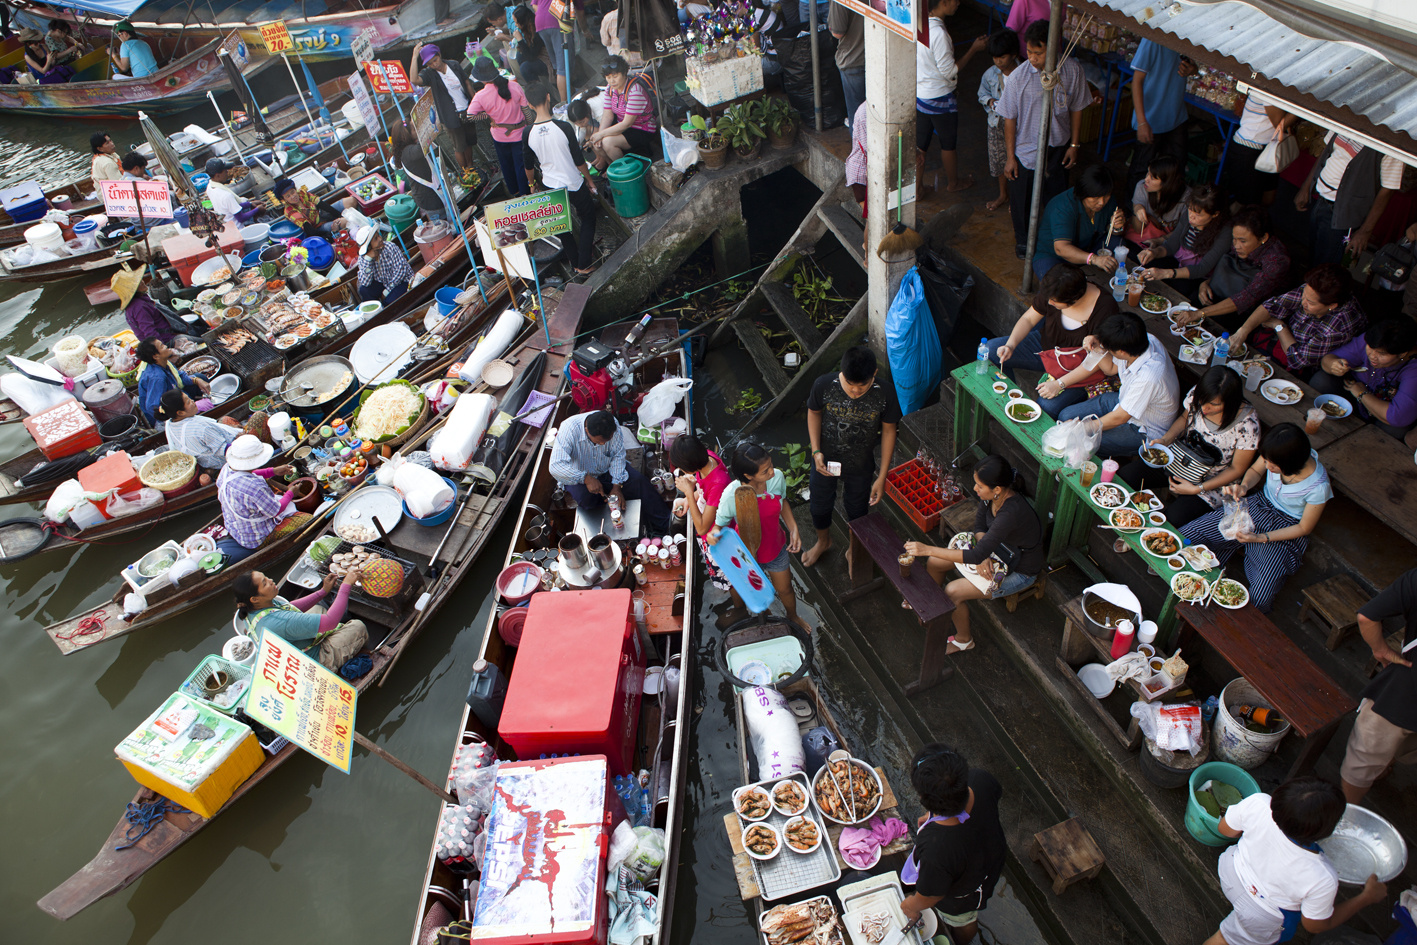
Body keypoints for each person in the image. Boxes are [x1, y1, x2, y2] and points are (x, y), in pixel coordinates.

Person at [1205, 777, 1385, 945]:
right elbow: (1314, 926)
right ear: (1328, 831)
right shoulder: (1323, 877)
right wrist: (1366, 898)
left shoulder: (1258, 803)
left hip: (1230, 871)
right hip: (1261, 914)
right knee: (1225, 939)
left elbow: (1225, 830)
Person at [1181, 423, 1330, 613]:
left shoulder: (1319, 487)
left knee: (1260, 595)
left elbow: (1304, 528)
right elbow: (1255, 471)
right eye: (1266, 460)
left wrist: (1261, 537)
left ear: (1289, 465)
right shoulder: (1276, 454)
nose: (1267, 466)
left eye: (1273, 466)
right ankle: (1191, 586)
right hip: (1258, 504)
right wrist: (1244, 487)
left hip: (1285, 528)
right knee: (1188, 535)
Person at [902, 456, 1044, 653]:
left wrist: (926, 549)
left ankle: (964, 640)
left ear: (997, 489)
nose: (975, 489)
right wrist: (984, 553)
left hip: (1018, 570)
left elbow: (975, 554)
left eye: (979, 486)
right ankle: (929, 604)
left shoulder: (1010, 512)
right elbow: (979, 527)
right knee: (935, 562)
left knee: (953, 591)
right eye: (976, 483)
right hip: (995, 551)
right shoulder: (990, 498)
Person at [1118, 366, 1259, 529]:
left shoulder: (1248, 425)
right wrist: (1165, 440)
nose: (1205, 408)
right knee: (1125, 477)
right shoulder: (1199, 393)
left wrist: (1198, 489)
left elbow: (1236, 469)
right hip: (1178, 459)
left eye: (1214, 404)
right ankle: (1125, 522)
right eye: (1202, 401)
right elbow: (1185, 418)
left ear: (1231, 402)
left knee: (1173, 519)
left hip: (1211, 483)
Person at [801, 345, 901, 567]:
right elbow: (814, 412)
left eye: (862, 386)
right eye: (850, 384)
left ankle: (853, 549)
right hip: (825, 461)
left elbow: (888, 430)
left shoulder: (885, 393)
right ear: (842, 373)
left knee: (858, 510)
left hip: (860, 465)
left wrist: (882, 476)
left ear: (873, 374)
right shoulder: (824, 385)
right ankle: (823, 541)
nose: (855, 391)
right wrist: (816, 451)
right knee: (819, 505)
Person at [997, 20, 1089, 257]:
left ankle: (1056, 240)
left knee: (1057, 199)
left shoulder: (1073, 70)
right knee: (1022, 202)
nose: (1033, 58)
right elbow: (1009, 119)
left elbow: (1077, 108)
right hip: (1025, 150)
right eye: (1029, 52)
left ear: (1054, 49)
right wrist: (1010, 158)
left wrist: (1074, 145)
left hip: (1057, 147)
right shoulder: (1018, 77)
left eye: (1039, 53)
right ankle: (1023, 241)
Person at [898, 744, 1007, 944]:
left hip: (968, 889)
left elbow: (931, 895)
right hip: (991, 853)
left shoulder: (937, 849)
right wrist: (931, 815)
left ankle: (963, 939)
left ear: (924, 799)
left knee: (963, 919)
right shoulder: (979, 779)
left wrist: (912, 905)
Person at [988, 262, 1119, 417]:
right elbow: (1029, 319)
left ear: (1074, 298)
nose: (1049, 303)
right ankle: (1009, 401)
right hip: (1046, 347)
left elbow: (1096, 360)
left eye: (1055, 301)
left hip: (1078, 366)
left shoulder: (1105, 308)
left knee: (1045, 407)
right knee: (991, 350)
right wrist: (1010, 345)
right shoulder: (1053, 290)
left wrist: (1059, 384)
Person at [1340, 568, 1417, 803]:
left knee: (1363, 759)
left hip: (1405, 689)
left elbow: (1367, 617)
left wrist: (1381, 650)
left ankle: (1345, 813)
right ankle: (1385, 764)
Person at [1057, 311, 1180, 458]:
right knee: (1066, 416)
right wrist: (1096, 344)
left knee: (1082, 440)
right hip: (1124, 401)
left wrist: (1083, 428)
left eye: (1107, 348)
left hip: (1144, 428)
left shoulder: (1149, 377)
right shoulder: (1143, 341)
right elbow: (1111, 368)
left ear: (1121, 352)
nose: (1105, 349)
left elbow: (1120, 418)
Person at [710, 443, 807, 630]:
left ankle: (793, 616)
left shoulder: (777, 478)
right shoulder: (732, 495)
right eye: (765, 471)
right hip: (746, 555)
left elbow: (782, 501)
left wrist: (793, 528)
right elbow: (717, 526)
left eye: (770, 465)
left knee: (785, 589)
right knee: (753, 593)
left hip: (775, 547)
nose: (772, 472)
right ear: (748, 476)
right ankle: (760, 615)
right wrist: (713, 535)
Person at [548, 409, 673, 534]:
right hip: (579, 475)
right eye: (599, 441)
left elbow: (618, 455)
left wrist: (616, 486)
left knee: (639, 483)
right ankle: (604, 533)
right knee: (586, 500)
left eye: (606, 442)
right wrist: (586, 478)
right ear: (586, 430)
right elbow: (556, 466)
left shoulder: (612, 424)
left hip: (607, 469)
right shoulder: (568, 429)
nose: (603, 444)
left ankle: (666, 526)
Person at [1228, 264, 1367, 374]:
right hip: (1285, 343)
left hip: (1306, 366)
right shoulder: (1312, 290)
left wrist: (1279, 326)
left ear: (1331, 306)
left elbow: (1297, 359)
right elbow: (1272, 305)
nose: (1303, 302)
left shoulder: (1339, 325)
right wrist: (1242, 331)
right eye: (1304, 296)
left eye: (1310, 303)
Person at [1172, 206, 1291, 331]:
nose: (1236, 245)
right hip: (1225, 289)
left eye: (1243, 241)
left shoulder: (1277, 261)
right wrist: (1206, 283)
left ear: (1263, 238)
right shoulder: (1239, 241)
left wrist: (1200, 313)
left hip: (1249, 310)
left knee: (1214, 324)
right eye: (1234, 239)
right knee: (1193, 300)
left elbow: (1246, 298)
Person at [1295, 130, 1404, 265]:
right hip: (1321, 201)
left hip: (1344, 215)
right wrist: (1306, 187)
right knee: (1313, 255)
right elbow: (1326, 151)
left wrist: (1365, 231)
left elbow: (1387, 190)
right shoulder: (1347, 120)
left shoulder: (1392, 143)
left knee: (1325, 265)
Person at [522, 82, 598, 274]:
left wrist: (531, 184)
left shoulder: (527, 132)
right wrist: (589, 180)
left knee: (562, 226)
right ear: (548, 97)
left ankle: (575, 263)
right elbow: (579, 159)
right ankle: (584, 263)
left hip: (549, 185)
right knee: (588, 217)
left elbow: (528, 165)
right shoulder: (564, 127)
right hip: (573, 182)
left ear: (530, 105)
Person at [915, 0, 986, 195]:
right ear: (943, 2)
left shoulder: (920, 25)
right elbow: (950, 71)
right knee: (948, 144)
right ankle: (953, 183)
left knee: (921, 145)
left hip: (921, 95)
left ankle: (918, 188)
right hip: (939, 97)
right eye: (954, 0)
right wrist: (973, 49)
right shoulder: (939, 34)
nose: (958, 3)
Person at [1311, 318, 1417, 442]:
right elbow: (1328, 360)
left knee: (1395, 429)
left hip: (1380, 413)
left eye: (1381, 354)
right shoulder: (1370, 341)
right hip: (1353, 397)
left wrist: (1362, 394)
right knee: (1322, 379)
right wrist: (1333, 364)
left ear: (1402, 354)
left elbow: (1398, 416)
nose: (1372, 356)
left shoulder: (1413, 370)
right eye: (1370, 348)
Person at [215, 435, 304, 564]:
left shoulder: (226, 469)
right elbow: (276, 510)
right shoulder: (254, 488)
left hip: (235, 527)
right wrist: (291, 493)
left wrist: (272, 471)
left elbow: (248, 473)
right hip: (255, 537)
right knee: (307, 520)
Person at [1138, 183, 1231, 299]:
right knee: (1144, 266)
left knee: (1177, 290)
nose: (1191, 216)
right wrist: (1154, 253)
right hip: (1178, 262)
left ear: (1215, 214)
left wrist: (1165, 273)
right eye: (1190, 210)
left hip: (1197, 275)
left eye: (1198, 214)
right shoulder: (1188, 215)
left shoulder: (1225, 233)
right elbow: (1172, 246)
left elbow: (1202, 269)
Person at [1032, 164, 1126, 278]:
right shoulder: (1063, 207)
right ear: (1083, 193)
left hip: (1087, 248)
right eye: (1095, 197)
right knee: (1056, 286)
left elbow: (1110, 231)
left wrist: (1116, 227)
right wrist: (1094, 259)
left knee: (1117, 243)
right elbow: (1061, 248)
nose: (1101, 202)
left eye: (1106, 196)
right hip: (1054, 257)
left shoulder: (1109, 201)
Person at [1127, 39, 1192, 191]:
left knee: (1175, 171)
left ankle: (1165, 210)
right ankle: (1133, 211)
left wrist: (1191, 70)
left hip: (1176, 117)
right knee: (1142, 173)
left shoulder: (1187, 37)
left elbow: (1191, 65)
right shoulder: (1153, 39)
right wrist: (1142, 122)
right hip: (1150, 120)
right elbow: (1137, 81)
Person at [671, 433, 732, 592]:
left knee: (730, 580)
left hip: (717, 537)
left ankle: (737, 605)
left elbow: (703, 528)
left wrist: (689, 493)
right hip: (707, 526)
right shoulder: (707, 458)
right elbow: (703, 490)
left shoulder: (718, 482)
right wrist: (687, 500)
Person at [468, 57, 531, 198]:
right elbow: (526, 111)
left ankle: (514, 191)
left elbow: (470, 116)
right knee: (521, 166)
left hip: (499, 137)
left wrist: (488, 116)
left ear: (481, 79)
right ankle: (525, 194)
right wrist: (530, 127)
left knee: (506, 165)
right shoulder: (515, 86)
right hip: (520, 134)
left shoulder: (480, 96)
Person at [1221, 94, 1296, 206]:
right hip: (1248, 150)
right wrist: (1301, 111)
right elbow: (1279, 124)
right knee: (1245, 204)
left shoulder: (1279, 86)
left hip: (1269, 149)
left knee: (1268, 198)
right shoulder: (1266, 89)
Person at [412, 43, 476, 172]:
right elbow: (414, 80)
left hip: (467, 110)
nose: (434, 65)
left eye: (435, 60)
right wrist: (414, 57)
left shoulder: (454, 65)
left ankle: (471, 166)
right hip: (450, 116)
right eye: (430, 63)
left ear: (439, 55)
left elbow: (467, 83)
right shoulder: (429, 74)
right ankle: (465, 172)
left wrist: (476, 103)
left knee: (469, 142)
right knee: (459, 146)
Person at [977, 30, 1019, 213]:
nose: (998, 62)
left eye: (1002, 57)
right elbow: (982, 94)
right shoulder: (990, 74)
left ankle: (1016, 198)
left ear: (1014, 55)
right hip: (996, 123)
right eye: (995, 58)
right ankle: (1003, 194)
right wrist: (990, 101)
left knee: (1018, 161)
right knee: (1000, 162)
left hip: (1018, 126)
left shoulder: (1024, 73)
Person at [591, 56, 658, 167]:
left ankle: (626, 170)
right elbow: (608, 115)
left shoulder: (634, 91)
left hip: (642, 128)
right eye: (608, 77)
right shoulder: (610, 89)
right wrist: (599, 135)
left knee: (607, 142)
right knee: (597, 141)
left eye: (615, 76)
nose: (612, 81)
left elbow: (627, 123)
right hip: (622, 125)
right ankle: (613, 166)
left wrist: (601, 134)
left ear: (624, 73)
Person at [154, 390, 242, 470]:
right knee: (256, 418)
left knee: (225, 419)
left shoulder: (170, 423)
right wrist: (242, 440)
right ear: (180, 413)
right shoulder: (200, 429)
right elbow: (224, 449)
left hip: (206, 460)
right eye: (188, 402)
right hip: (223, 460)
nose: (192, 401)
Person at [135, 338, 209, 426]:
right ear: (156, 356)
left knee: (200, 377)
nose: (166, 346)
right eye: (162, 346)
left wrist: (197, 380)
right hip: (164, 415)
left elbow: (180, 376)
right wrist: (176, 416)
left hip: (173, 392)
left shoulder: (163, 363)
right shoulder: (157, 378)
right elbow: (152, 407)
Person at [1126, 155, 1190, 248]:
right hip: (1144, 236)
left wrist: (1159, 240)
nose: (1146, 179)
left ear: (1167, 183)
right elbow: (1138, 230)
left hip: (1170, 241)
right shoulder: (1142, 187)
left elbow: (1181, 232)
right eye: (1147, 173)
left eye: (1152, 177)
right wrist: (1137, 208)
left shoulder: (1186, 199)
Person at [389, 123, 445, 223]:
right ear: (407, 135)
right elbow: (421, 148)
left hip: (430, 195)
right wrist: (424, 127)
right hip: (429, 199)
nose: (417, 130)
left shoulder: (408, 149)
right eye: (415, 129)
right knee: (443, 226)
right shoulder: (408, 152)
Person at [112, 267, 176, 344]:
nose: (142, 282)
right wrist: (164, 349)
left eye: (140, 279)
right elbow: (150, 333)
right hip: (166, 340)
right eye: (137, 283)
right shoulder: (139, 307)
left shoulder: (140, 300)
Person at [275, 177, 353, 238]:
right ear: (284, 199)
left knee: (351, 200)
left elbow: (320, 204)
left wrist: (338, 215)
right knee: (346, 221)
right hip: (318, 228)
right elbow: (310, 230)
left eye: (293, 192)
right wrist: (330, 231)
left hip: (320, 214)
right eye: (288, 196)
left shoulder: (301, 193)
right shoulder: (290, 211)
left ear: (295, 190)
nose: (293, 196)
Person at [355, 224, 412, 305]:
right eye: (375, 239)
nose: (380, 239)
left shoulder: (390, 247)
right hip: (383, 282)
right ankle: (376, 308)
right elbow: (365, 282)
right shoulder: (363, 258)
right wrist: (369, 259)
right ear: (369, 246)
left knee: (388, 302)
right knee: (364, 290)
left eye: (378, 235)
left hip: (402, 281)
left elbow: (401, 272)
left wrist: (387, 291)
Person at [829, 2, 864, 129]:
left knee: (858, 119)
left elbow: (838, 32)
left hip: (853, 58)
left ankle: (860, 149)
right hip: (877, 56)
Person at [534, 0, 568, 104]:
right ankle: (564, 104)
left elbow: (535, 5)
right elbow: (578, 9)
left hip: (539, 22)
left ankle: (566, 91)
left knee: (557, 64)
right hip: (555, 21)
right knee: (562, 68)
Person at [201, 158, 244, 227]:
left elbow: (230, 207)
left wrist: (249, 204)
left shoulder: (209, 187)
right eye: (225, 171)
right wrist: (257, 209)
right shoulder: (226, 196)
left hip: (227, 223)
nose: (227, 172)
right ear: (218, 175)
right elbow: (241, 218)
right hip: (238, 228)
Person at [844, 101, 869, 220]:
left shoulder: (865, 108)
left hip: (860, 172)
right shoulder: (865, 111)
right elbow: (868, 148)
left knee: (871, 219)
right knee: (872, 220)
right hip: (860, 175)